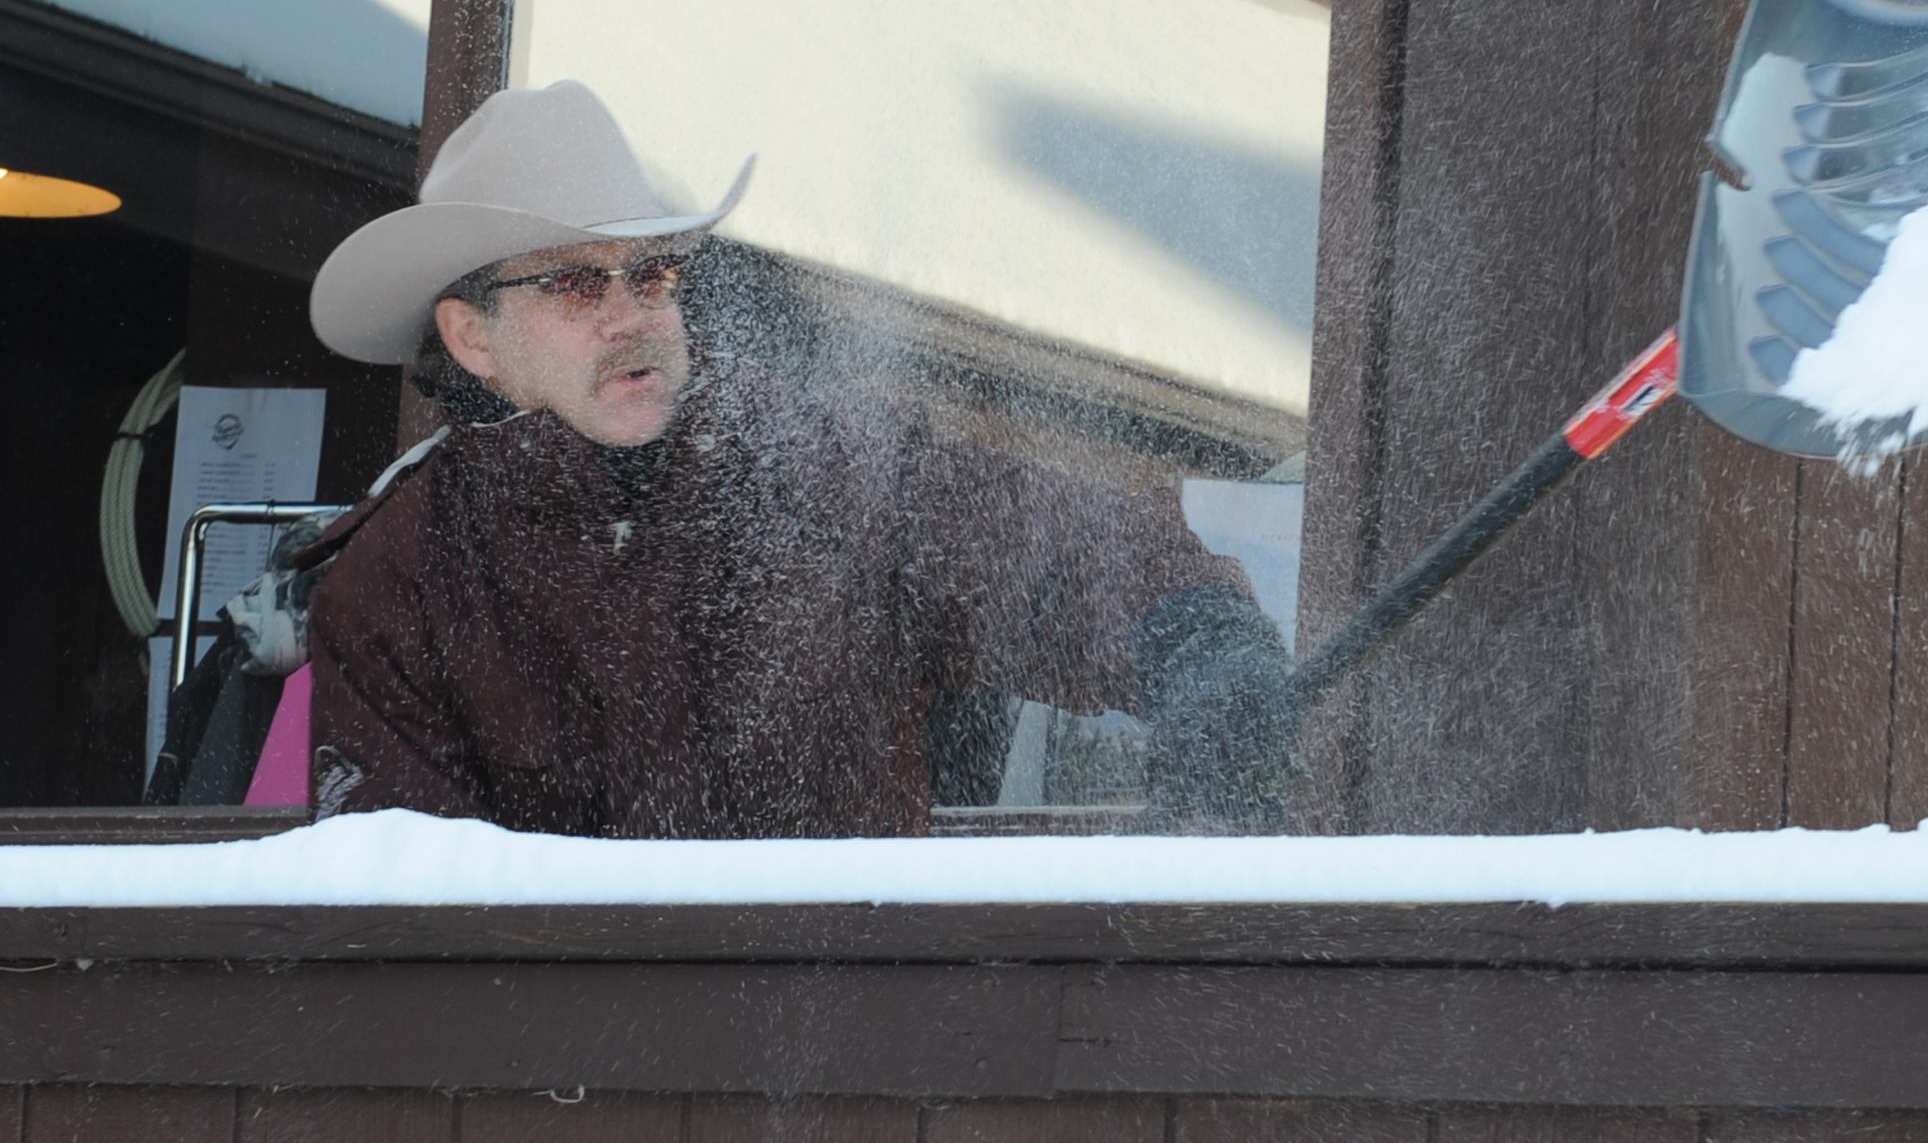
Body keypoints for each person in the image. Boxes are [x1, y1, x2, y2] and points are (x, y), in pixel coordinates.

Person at [297, 79, 1297, 837]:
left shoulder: (825, 465)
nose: (632, 317)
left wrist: (1199, 640)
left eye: (650, 275)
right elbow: (406, 922)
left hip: (856, 1068)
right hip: (566, 1097)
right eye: (573, 286)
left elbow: (1055, 552)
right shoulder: (397, 582)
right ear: (474, 339)